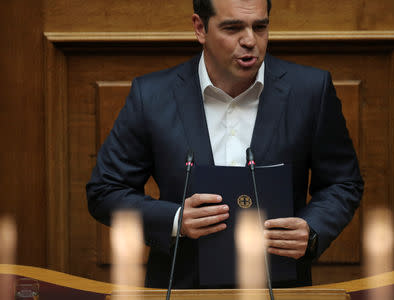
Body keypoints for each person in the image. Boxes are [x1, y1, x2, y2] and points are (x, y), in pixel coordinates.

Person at [86, 0, 364, 289]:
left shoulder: (310, 91)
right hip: (183, 289)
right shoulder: (153, 96)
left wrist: (312, 230)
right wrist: (175, 220)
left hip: (278, 290)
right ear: (200, 28)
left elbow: (342, 182)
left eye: (260, 27)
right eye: (232, 28)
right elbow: (105, 191)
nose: (250, 41)